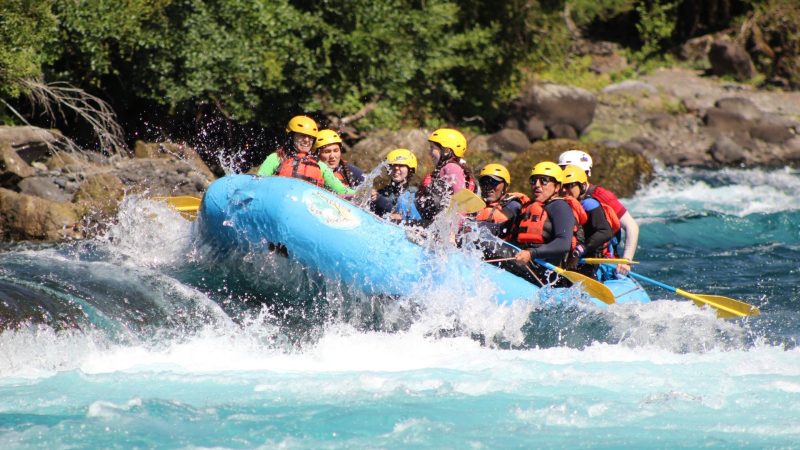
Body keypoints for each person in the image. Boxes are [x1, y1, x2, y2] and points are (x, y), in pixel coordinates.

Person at [558, 149, 639, 275]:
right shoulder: (558, 194)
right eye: (562, 170)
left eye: (567, 169)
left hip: (599, 260)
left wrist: (626, 261)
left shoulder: (601, 196)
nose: (564, 174)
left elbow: (631, 226)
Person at [512, 162, 575, 284]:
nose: (537, 185)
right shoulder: (529, 207)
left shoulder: (559, 207)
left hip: (546, 275)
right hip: (527, 266)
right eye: (533, 181)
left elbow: (563, 244)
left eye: (544, 181)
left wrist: (532, 253)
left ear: (557, 187)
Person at [256, 115, 354, 195]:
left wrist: (362, 193)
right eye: (302, 135)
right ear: (291, 137)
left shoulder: (320, 165)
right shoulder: (276, 158)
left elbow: (341, 190)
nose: (307, 140)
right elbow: (259, 182)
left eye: (310, 137)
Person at [561, 165, 615, 278]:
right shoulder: (559, 204)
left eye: (569, 185)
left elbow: (605, 232)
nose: (564, 190)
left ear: (582, 186)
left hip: (589, 256)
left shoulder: (589, 204)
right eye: (562, 186)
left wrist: (579, 250)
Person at [415, 128, 477, 224]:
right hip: (437, 225)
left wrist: (452, 232)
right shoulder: (447, 167)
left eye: (433, 148)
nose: (429, 152)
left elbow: (461, 201)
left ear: (447, 150)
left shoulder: (451, 167)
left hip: (449, 230)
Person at [474, 163, 526, 240]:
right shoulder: (475, 205)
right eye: (484, 182)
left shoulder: (514, 206)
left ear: (506, 186)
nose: (488, 187)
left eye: (494, 182)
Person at [370, 149, 422, 223]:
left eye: (401, 165)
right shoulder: (380, 193)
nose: (396, 168)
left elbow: (418, 221)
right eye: (393, 165)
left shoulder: (416, 194)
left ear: (410, 170)